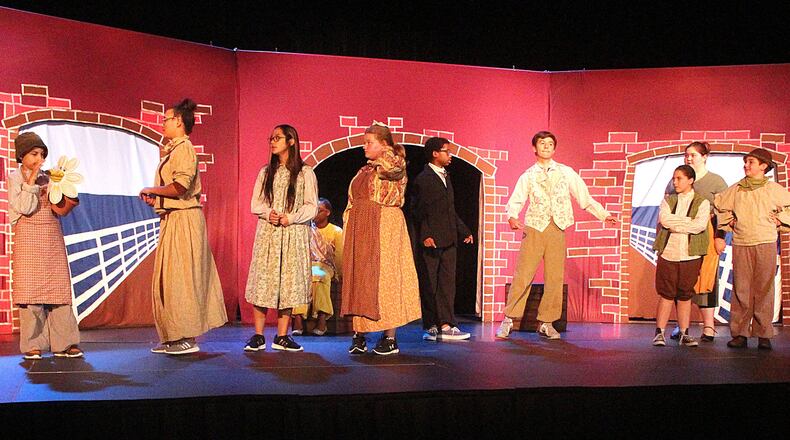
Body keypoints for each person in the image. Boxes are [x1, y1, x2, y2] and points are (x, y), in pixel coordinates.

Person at [496, 131, 617, 340]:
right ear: (535, 148)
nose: (546, 147)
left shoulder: (566, 172)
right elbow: (516, 200)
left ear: (554, 148)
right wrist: (512, 217)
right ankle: (509, 319)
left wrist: (603, 215)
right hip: (535, 227)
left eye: (550, 144)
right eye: (542, 143)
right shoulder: (528, 175)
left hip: (557, 227)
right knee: (523, 275)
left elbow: (584, 197)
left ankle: (547, 322)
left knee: (555, 277)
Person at [139, 98, 227, 355]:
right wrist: (157, 196)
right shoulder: (173, 150)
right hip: (172, 218)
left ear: (178, 122)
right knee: (168, 278)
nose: (163, 123)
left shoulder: (184, 149)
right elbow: (173, 189)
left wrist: (152, 189)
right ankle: (172, 335)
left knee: (182, 278)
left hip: (185, 220)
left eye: (166, 119)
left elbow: (180, 186)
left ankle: (186, 337)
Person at [341, 122, 421, 355]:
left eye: (369, 143)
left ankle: (390, 338)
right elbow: (351, 200)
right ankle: (360, 334)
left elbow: (393, 167)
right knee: (360, 278)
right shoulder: (364, 170)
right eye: (364, 142)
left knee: (385, 277)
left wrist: (387, 152)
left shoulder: (392, 162)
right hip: (361, 225)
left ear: (384, 144)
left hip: (385, 223)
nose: (364, 147)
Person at [244, 124, 318, 353]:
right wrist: (269, 213)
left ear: (291, 141)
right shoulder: (266, 172)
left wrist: (292, 217)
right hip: (269, 232)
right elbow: (255, 203)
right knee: (264, 280)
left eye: (277, 138)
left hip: (293, 232)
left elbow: (312, 206)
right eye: (271, 138)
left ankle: (282, 335)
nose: (272, 142)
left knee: (287, 281)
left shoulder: (305, 173)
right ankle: (258, 335)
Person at [9, 132, 82, 359]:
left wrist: (62, 185)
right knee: (30, 291)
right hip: (28, 237)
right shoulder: (14, 178)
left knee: (58, 288)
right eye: (34, 154)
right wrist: (31, 182)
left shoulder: (48, 177)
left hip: (50, 236)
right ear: (22, 156)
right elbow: (25, 207)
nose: (39, 158)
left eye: (41, 154)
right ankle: (33, 344)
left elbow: (60, 204)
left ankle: (65, 342)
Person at [715, 148, 790, 350]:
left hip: (765, 241)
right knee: (741, 289)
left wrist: (780, 220)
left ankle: (763, 333)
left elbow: (788, 208)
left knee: (764, 288)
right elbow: (720, 206)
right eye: (746, 162)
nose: (746, 166)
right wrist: (729, 224)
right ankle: (740, 333)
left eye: (751, 162)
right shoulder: (738, 188)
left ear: (763, 166)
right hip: (742, 242)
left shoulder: (773, 188)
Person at [412, 137, 474, 341]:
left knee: (447, 284)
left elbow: (449, 210)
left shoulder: (446, 177)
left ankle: (447, 323)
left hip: (449, 239)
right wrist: (425, 235)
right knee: (430, 282)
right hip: (431, 239)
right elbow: (418, 210)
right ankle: (431, 324)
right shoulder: (424, 178)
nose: (450, 155)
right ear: (435, 154)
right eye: (446, 151)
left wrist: (464, 230)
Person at [666, 142, 728, 342]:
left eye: (693, 155)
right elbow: (667, 208)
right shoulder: (676, 180)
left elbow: (723, 213)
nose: (689, 158)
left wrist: (719, 236)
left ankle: (708, 326)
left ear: (705, 156)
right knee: (680, 277)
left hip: (706, 233)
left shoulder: (716, 182)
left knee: (706, 278)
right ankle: (681, 326)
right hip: (679, 235)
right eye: (686, 155)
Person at [652, 165, 709, 347]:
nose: (675, 182)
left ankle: (684, 333)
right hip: (669, 252)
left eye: (679, 178)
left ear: (690, 180)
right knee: (667, 293)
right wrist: (686, 222)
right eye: (674, 178)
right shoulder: (668, 200)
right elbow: (665, 220)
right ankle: (659, 332)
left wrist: (678, 223)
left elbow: (699, 226)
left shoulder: (702, 202)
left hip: (690, 255)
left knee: (685, 294)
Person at [292, 198, 343, 336]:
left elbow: (339, 255)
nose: (314, 215)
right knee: (301, 277)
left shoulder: (336, 231)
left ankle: (322, 318)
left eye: (318, 211)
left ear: (327, 212)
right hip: (307, 265)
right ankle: (298, 318)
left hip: (326, 266)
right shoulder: (307, 230)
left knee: (319, 275)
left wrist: (339, 273)